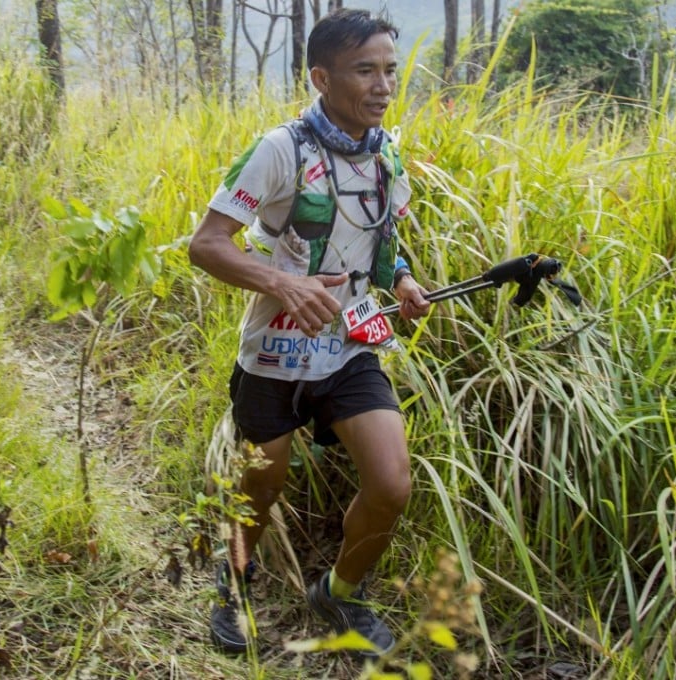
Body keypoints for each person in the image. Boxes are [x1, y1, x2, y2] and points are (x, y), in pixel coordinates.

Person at [187, 7, 432, 656]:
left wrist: (402, 280)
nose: (382, 85)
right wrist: (283, 283)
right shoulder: (280, 150)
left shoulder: (386, 153)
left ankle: (340, 592)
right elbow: (207, 245)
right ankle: (235, 582)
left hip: (350, 348)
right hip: (274, 353)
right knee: (261, 486)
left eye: (389, 70)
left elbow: (383, 237)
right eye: (364, 71)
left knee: (391, 485)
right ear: (322, 77)